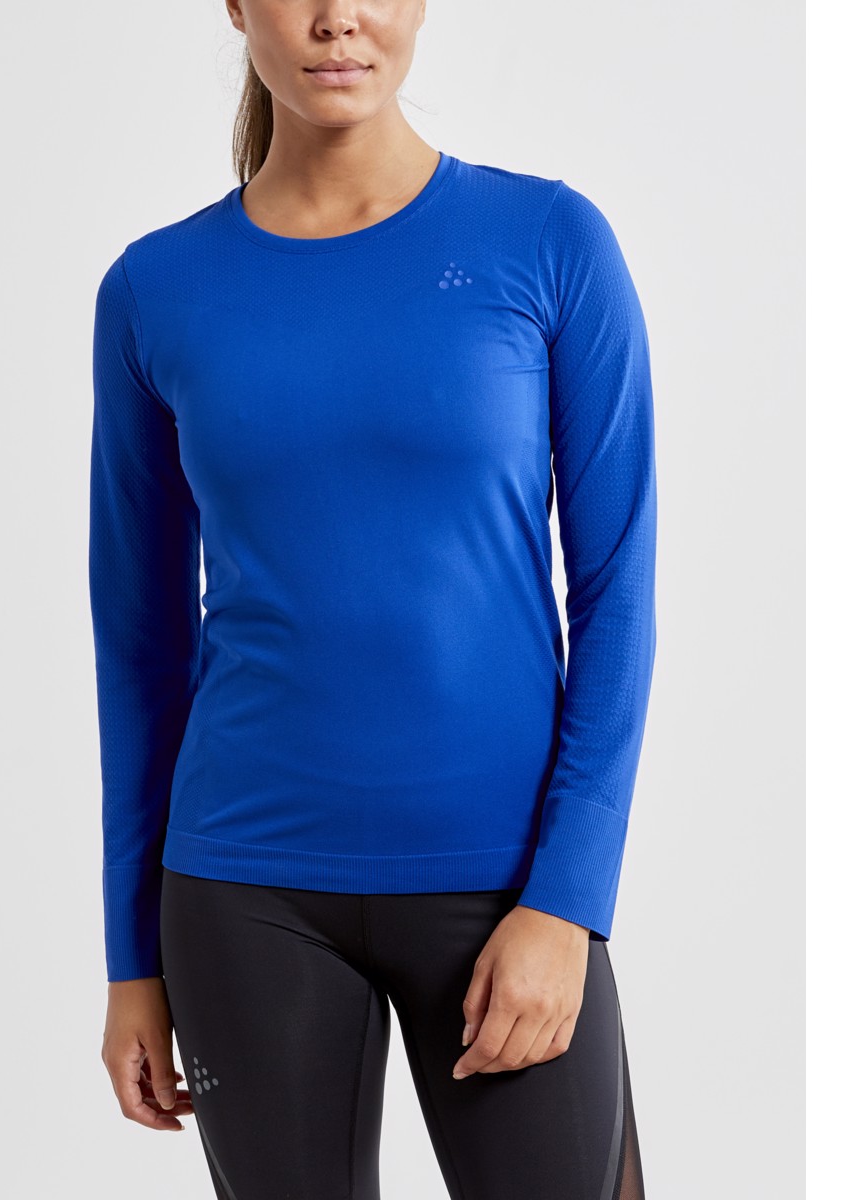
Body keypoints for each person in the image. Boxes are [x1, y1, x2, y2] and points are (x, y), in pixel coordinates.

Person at [89, 3, 656, 1197]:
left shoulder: (548, 242)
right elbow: (138, 646)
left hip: (504, 887)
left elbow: (616, 593)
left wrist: (568, 900)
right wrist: (130, 958)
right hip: (243, 892)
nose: (337, 17)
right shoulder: (155, 290)